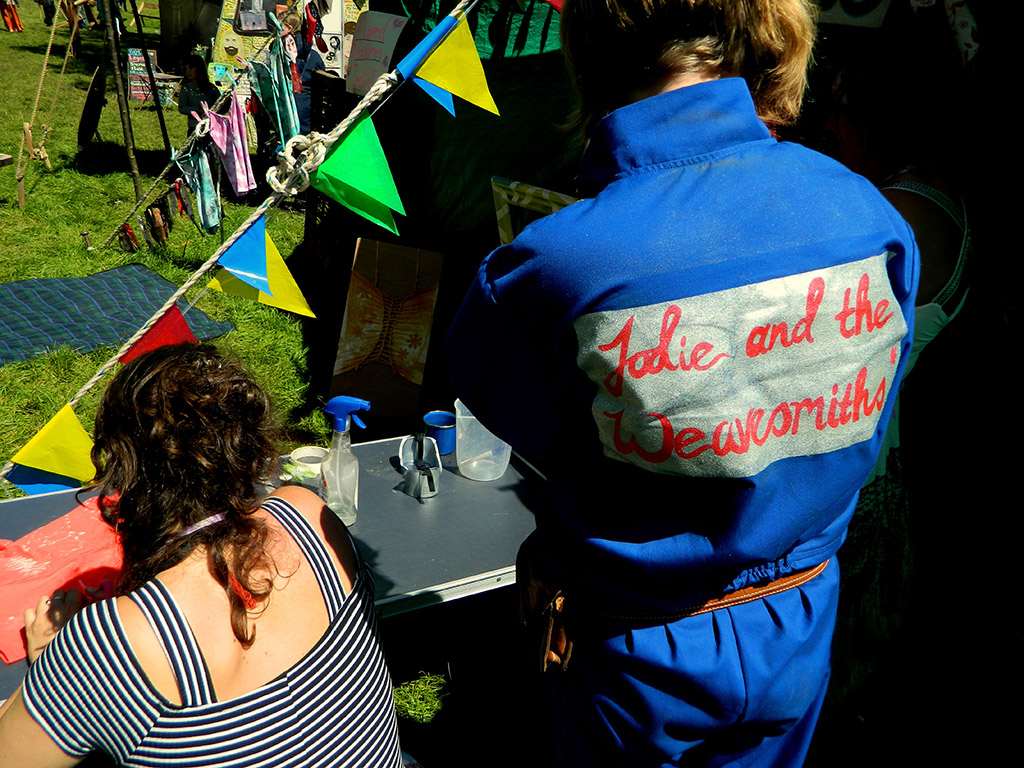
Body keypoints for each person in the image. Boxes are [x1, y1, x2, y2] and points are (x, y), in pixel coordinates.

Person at [442, 0, 919, 766]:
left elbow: (534, 429)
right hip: (801, 618)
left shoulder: (552, 265)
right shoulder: (870, 215)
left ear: (589, 53)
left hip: (636, 647)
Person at [0, 344, 403, 767]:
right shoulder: (308, 513)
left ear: (124, 474)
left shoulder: (111, 644)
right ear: (252, 448)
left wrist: (49, 663)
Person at [178, 54, 220, 135]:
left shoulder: (211, 88)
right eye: (186, 69)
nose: (188, 72)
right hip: (194, 127)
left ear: (199, 69)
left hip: (211, 126)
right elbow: (182, 107)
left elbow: (219, 104)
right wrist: (197, 110)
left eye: (191, 68)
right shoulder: (186, 89)